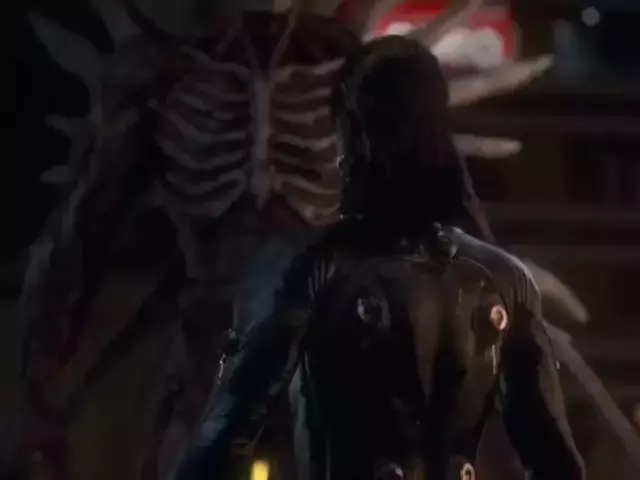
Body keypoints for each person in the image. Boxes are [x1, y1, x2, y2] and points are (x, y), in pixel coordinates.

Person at [172, 35, 586, 480]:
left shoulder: (313, 267)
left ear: (356, 136)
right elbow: (557, 463)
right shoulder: (503, 278)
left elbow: (224, 440)